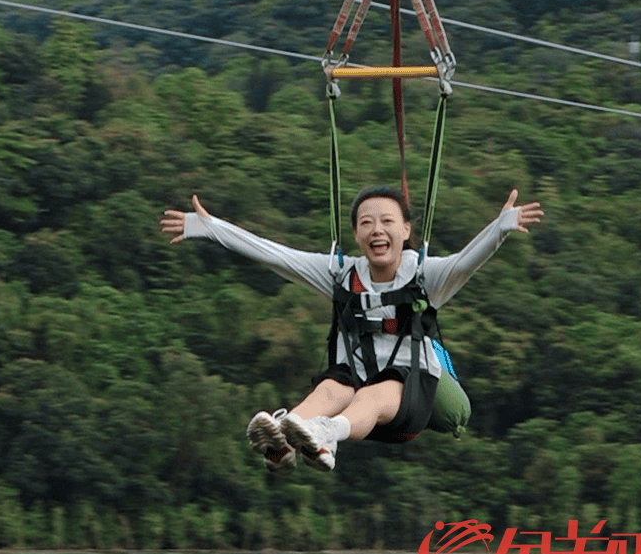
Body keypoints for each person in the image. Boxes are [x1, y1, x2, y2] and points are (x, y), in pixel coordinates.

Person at [159, 184, 543, 472]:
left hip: (407, 400)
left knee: (378, 391)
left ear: (406, 230)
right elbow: (275, 255)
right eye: (366, 223)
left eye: (387, 221)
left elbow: (464, 263)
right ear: (357, 236)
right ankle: (284, 444)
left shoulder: (427, 275)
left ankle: (325, 435)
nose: (377, 230)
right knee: (331, 384)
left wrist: (500, 228)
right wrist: (210, 228)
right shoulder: (342, 274)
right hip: (351, 388)